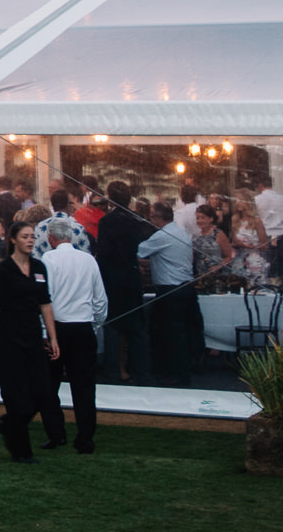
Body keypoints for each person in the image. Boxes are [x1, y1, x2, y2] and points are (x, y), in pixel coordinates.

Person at [0, 219, 63, 462]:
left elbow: (45, 303)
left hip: (33, 338)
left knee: (43, 393)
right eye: (25, 236)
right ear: (13, 240)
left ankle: (9, 425)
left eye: (32, 236)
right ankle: (21, 451)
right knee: (17, 396)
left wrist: (53, 336)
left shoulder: (39, 268)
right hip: (9, 339)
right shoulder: (4, 270)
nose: (30, 240)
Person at [41, 215, 105, 454]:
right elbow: (100, 299)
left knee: (50, 385)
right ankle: (86, 439)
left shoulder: (48, 259)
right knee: (84, 387)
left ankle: (56, 434)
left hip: (57, 327)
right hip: (83, 327)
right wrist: (95, 325)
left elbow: (44, 298)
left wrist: (44, 331)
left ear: (51, 238)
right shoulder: (88, 260)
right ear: (70, 237)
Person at [138, 204, 202, 386]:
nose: (150, 220)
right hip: (186, 287)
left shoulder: (162, 235)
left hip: (170, 290)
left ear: (158, 218)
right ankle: (184, 369)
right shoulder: (180, 232)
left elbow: (138, 251)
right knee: (183, 330)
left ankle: (175, 373)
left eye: (152, 217)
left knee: (171, 333)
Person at [95, 182, 151, 385]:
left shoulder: (107, 222)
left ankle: (113, 370)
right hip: (131, 274)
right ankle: (140, 370)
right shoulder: (136, 220)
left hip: (113, 277)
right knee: (136, 326)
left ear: (110, 197)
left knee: (113, 326)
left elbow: (104, 253)